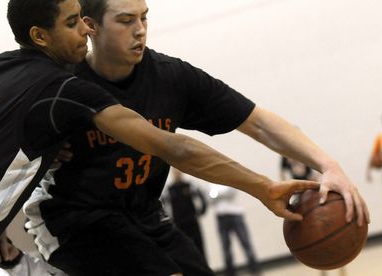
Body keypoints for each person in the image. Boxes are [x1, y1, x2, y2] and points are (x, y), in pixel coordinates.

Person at [22, 0, 369, 275]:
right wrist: (37, 152)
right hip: (76, 220)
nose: (140, 30)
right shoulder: (62, 85)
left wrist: (328, 164)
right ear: (91, 26)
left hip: (143, 215)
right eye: (126, 20)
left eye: (144, 18)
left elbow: (259, 122)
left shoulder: (171, 77)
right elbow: (5, 141)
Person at [210, 185, 260, 276]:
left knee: (245, 242)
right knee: (225, 247)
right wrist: (217, 195)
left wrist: (217, 195)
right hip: (221, 216)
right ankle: (230, 272)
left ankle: (254, 269)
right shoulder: (211, 183)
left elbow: (231, 193)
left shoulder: (228, 178)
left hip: (235, 214)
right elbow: (210, 198)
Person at [162, 168, 207, 257]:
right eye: (175, 172)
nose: (177, 174)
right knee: (183, 247)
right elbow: (163, 203)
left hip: (192, 220)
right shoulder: (169, 189)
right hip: (178, 222)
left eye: (179, 172)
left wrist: (201, 211)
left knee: (199, 245)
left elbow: (202, 197)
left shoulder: (190, 185)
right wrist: (168, 219)